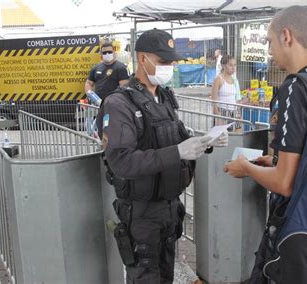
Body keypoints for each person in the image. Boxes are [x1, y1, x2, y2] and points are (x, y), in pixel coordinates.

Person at [223, 5, 307, 277]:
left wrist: (246, 167)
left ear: (286, 36)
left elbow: (284, 183)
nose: (269, 51)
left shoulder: (295, 88)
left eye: (270, 42)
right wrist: (276, 160)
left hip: (296, 226)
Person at [97, 29, 228, 284]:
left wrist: (204, 141)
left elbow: (173, 138)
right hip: (142, 213)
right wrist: (178, 151)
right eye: (164, 61)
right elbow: (122, 161)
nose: (170, 66)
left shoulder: (164, 96)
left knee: (166, 276)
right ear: (143, 59)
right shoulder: (119, 103)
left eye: (172, 61)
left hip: (169, 209)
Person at [211, 55, 241, 122]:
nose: (233, 68)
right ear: (223, 66)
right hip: (222, 112)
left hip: (234, 112)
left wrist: (238, 114)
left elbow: (236, 99)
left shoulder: (235, 80)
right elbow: (213, 101)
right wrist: (218, 117)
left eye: (235, 65)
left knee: (235, 132)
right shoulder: (218, 80)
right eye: (230, 65)